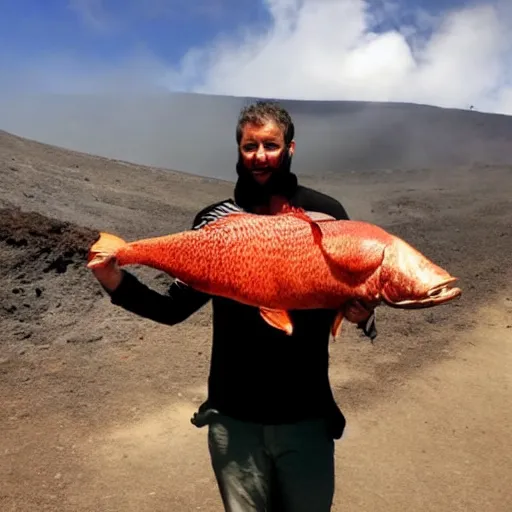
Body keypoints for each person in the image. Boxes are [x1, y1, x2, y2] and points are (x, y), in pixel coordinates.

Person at [90, 100, 377, 511]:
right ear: (238, 150)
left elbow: (355, 295)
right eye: (249, 146)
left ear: (290, 149)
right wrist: (113, 279)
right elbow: (174, 308)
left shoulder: (327, 216)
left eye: (271, 145)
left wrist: (363, 315)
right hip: (234, 417)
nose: (260, 156)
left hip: (306, 413)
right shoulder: (214, 223)